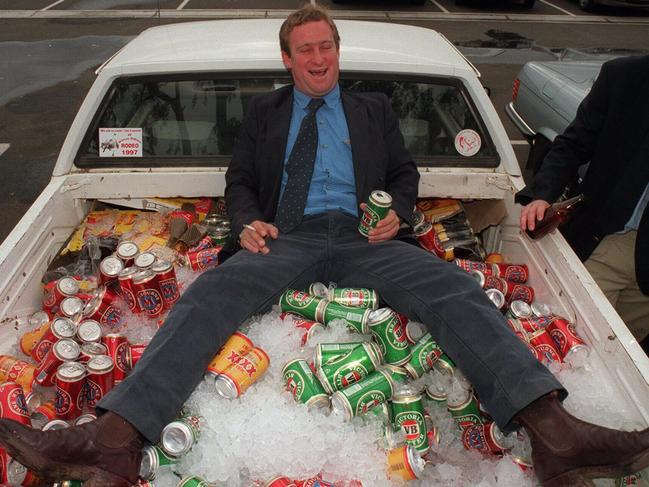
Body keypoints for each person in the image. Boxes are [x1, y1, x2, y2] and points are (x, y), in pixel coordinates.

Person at [0, 7, 647, 487]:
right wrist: (247, 220)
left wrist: (395, 213)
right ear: (288, 58)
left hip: (362, 237)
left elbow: (401, 177)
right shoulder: (263, 115)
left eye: (326, 47)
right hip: (286, 237)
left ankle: (554, 433)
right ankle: (112, 440)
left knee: (451, 287)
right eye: (305, 49)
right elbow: (239, 183)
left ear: (336, 53)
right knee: (210, 294)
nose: (317, 58)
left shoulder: (372, 111)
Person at [517, 55, 649, 350]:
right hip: (608, 238)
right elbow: (573, 143)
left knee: (626, 353)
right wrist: (542, 195)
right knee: (573, 337)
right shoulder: (624, 77)